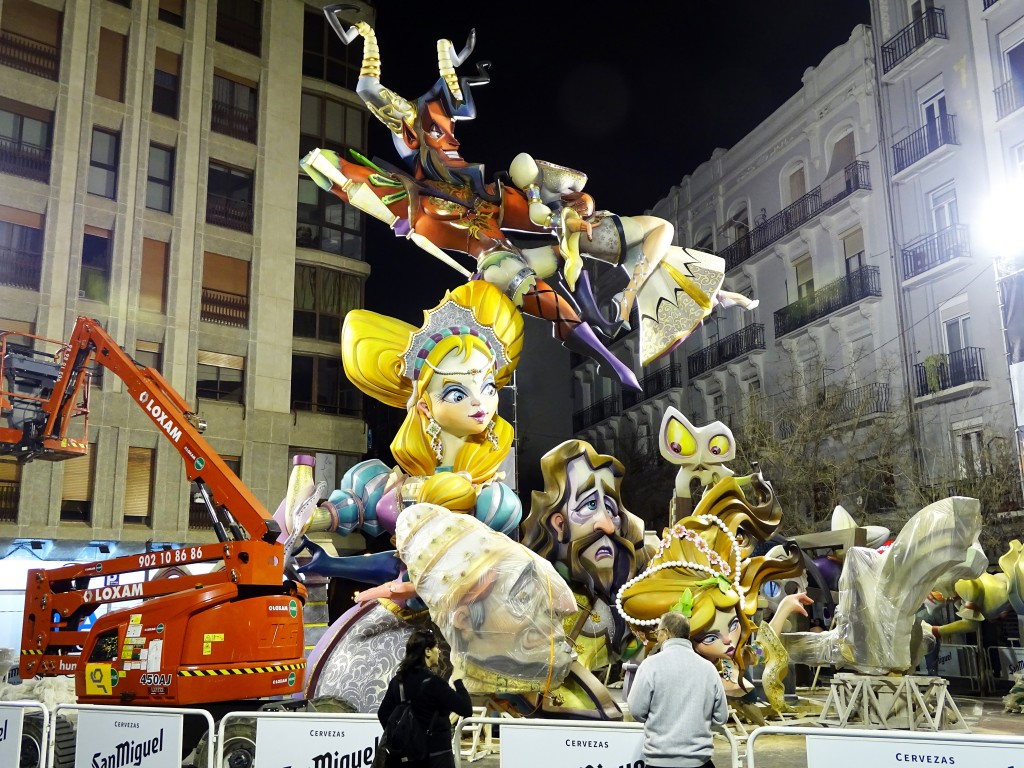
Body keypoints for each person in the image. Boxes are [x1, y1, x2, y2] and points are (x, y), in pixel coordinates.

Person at [299, 16, 640, 389]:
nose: (450, 143)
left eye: (448, 133)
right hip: (493, 264)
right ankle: (607, 360)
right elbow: (351, 165)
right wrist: (325, 163)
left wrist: (573, 210)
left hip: (519, 255)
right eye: (436, 134)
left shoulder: (487, 192)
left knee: (572, 251)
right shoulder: (417, 202)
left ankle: (598, 315)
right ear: (416, 143)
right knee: (551, 301)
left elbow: (546, 216)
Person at [626, 611, 728, 768]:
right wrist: (698, 721)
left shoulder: (650, 665)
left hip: (659, 762)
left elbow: (636, 710)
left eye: (657, 632)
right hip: (699, 762)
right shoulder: (708, 668)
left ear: (666, 633)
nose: (657, 637)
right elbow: (721, 717)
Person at [377, 628, 473, 768]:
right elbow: (465, 709)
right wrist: (458, 680)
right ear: (427, 651)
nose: (439, 651)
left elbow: (383, 714)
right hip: (436, 755)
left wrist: (404, 735)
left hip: (407, 756)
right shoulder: (434, 683)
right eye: (436, 647)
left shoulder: (398, 681)